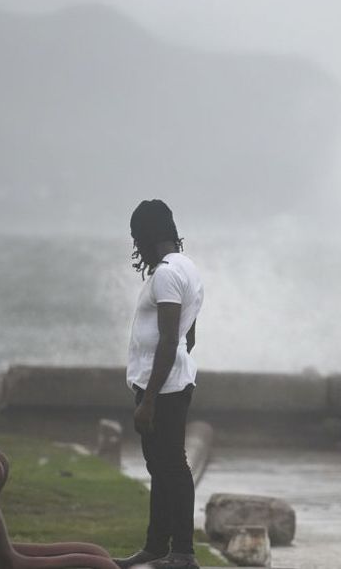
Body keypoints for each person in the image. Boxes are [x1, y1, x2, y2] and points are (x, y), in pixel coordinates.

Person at [117, 200, 204, 569]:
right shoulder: (187, 267)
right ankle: (156, 546)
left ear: (149, 236)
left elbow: (170, 340)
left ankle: (182, 552)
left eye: (137, 237)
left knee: (172, 467)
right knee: (162, 466)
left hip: (163, 390)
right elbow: (189, 334)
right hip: (172, 382)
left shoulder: (167, 274)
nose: (135, 245)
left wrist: (148, 400)